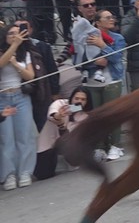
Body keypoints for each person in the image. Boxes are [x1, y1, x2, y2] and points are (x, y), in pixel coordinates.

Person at [0, 24, 37, 190]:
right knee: (6, 138)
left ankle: (25, 171)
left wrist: (16, 63)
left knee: (25, 135)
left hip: (21, 96)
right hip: (3, 97)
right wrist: (13, 46)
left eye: (17, 33)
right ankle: (9, 174)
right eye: (11, 34)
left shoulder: (25, 53)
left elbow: (30, 76)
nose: (15, 36)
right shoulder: (3, 51)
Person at [87, 9, 126, 161]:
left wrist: (103, 45)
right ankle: (100, 146)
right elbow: (80, 59)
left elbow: (117, 58)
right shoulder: (88, 37)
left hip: (112, 79)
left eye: (112, 17)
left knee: (112, 113)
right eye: (107, 17)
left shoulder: (118, 38)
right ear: (98, 22)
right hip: (92, 80)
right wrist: (93, 63)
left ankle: (115, 145)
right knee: (97, 116)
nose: (112, 20)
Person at [35, 86, 95, 178]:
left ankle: (69, 161)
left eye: (83, 99)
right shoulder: (60, 103)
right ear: (72, 98)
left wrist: (62, 125)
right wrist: (58, 116)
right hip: (48, 144)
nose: (79, 102)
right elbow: (51, 114)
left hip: (68, 144)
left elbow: (71, 137)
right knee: (43, 174)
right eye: (76, 98)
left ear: (87, 102)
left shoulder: (85, 116)